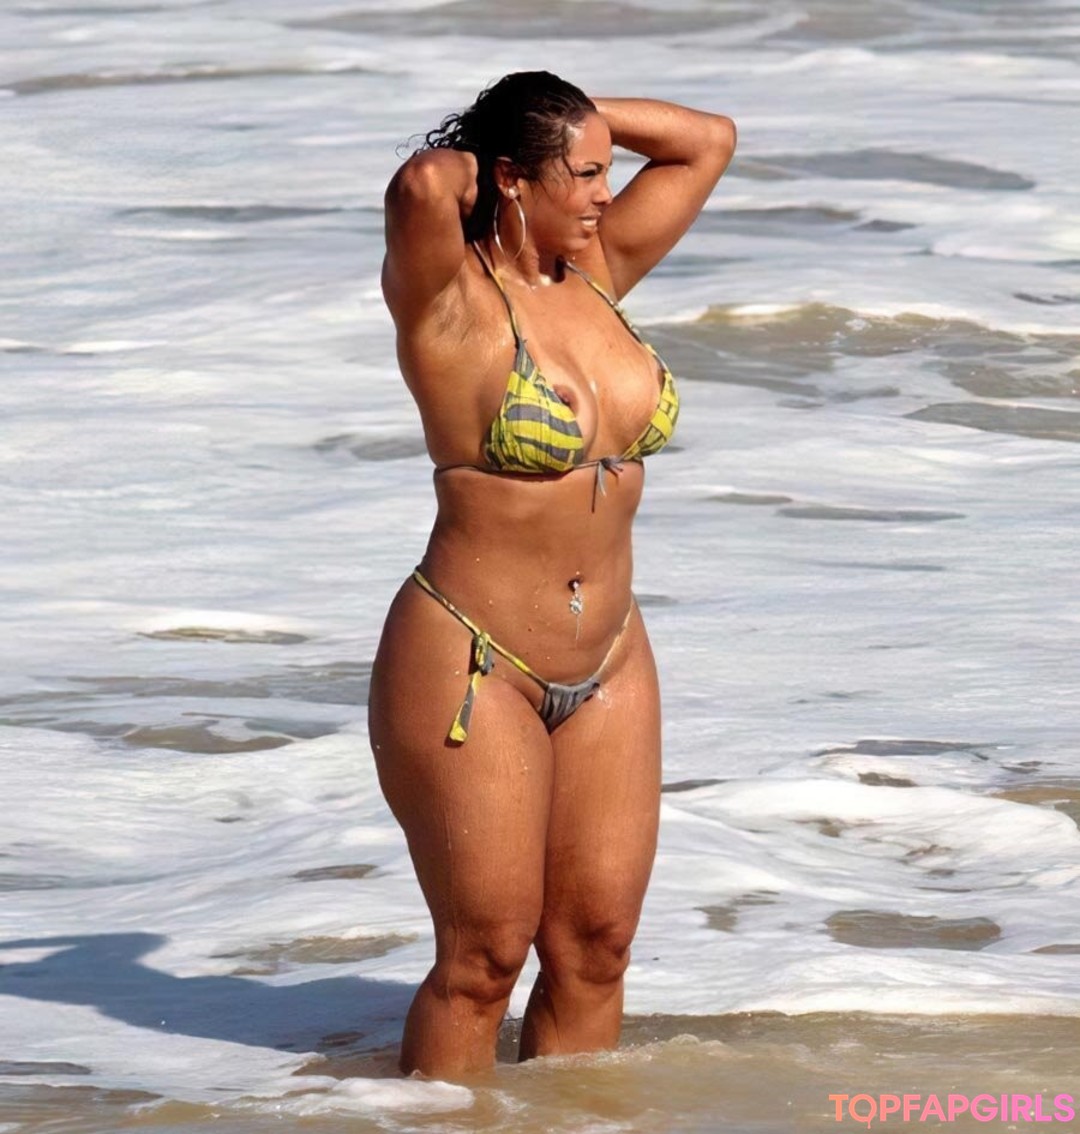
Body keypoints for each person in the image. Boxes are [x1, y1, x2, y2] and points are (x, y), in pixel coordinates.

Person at [369, 71, 735, 1078]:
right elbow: (422, 185)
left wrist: (579, 120)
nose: (606, 194)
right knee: (484, 958)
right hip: (474, 655)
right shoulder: (448, 302)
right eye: (583, 175)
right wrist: (508, 137)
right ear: (511, 179)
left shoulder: (600, 273)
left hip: (611, 658)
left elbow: (706, 139)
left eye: (608, 171)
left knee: (596, 948)